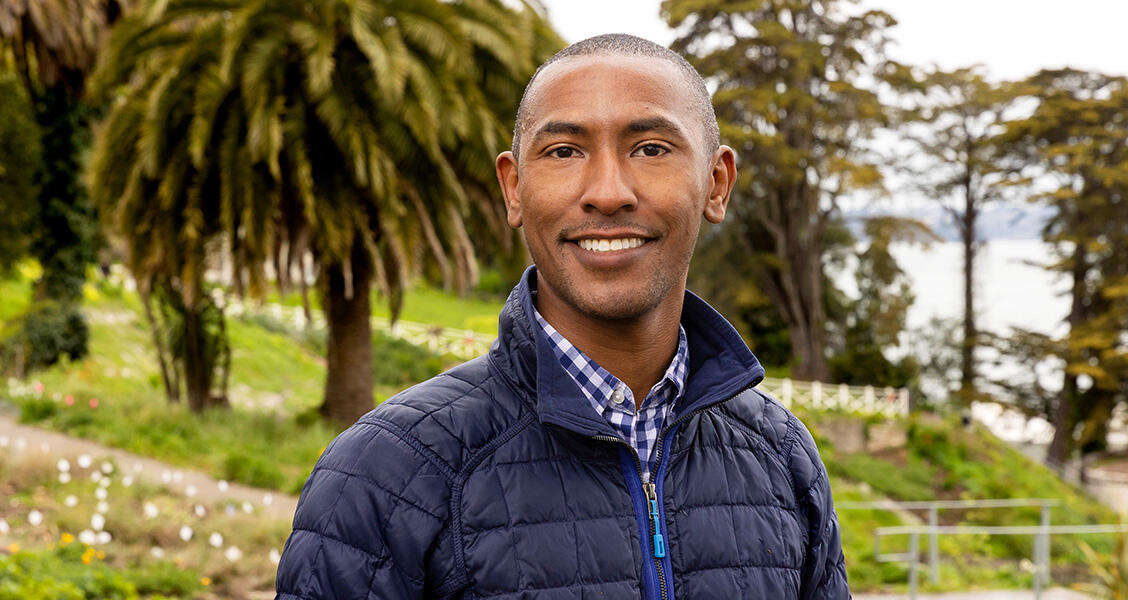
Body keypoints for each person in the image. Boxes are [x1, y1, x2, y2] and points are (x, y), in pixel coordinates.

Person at [276, 33, 849, 600]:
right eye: (564, 151)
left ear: (716, 183)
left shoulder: (782, 457)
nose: (607, 192)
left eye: (650, 148)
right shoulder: (388, 470)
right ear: (515, 188)